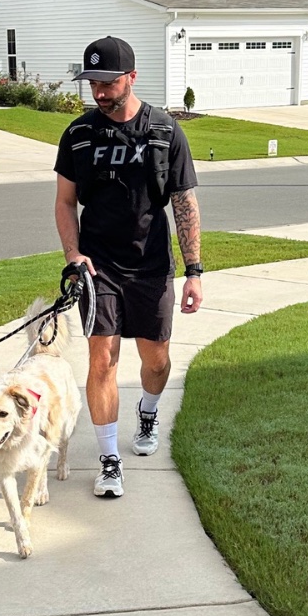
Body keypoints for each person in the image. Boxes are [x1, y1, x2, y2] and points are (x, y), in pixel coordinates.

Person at [54, 36, 204, 499]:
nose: (99, 92)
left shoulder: (164, 131)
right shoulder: (78, 135)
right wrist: (74, 257)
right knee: (102, 361)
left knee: (155, 361)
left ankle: (148, 411)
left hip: (152, 266)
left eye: (108, 82)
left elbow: (184, 203)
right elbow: (64, 202)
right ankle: (110, 459)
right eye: (92, 83)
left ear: (131, 78)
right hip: (99, 270)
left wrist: (194, 271)